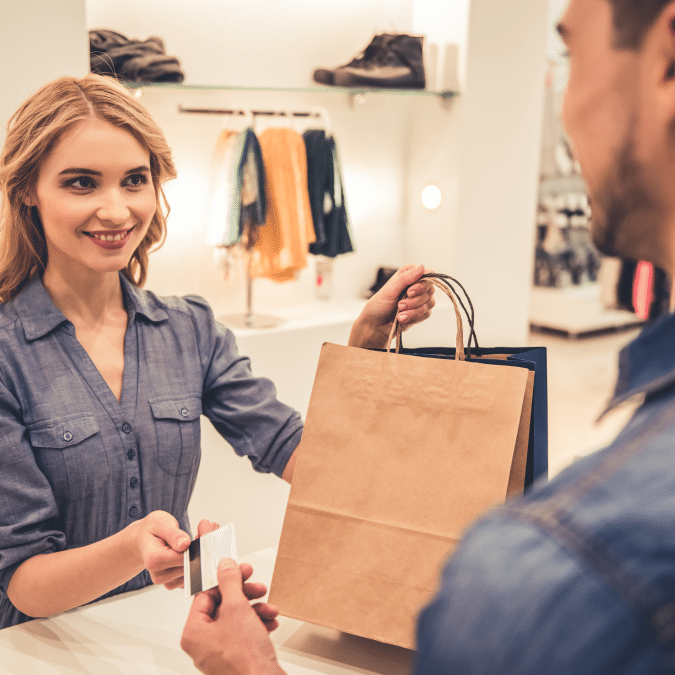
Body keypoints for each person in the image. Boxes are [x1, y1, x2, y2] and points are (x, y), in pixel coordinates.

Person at [180, 0, 675, 673]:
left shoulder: (554, 571)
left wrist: (248, 668)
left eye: (570, 55)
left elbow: (291, 448)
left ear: (666, 57)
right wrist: (361, 358)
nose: (562, 110)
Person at [0, 72, 436, 629]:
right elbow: (24, 584)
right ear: (27, 193)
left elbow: (302, 457)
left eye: (134, 180)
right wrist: (133, 547)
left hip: (161, 634)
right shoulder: (9, 356)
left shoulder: (190, 329)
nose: (115, 211)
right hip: (40, 651)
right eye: (82, 183)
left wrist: (365, 346)